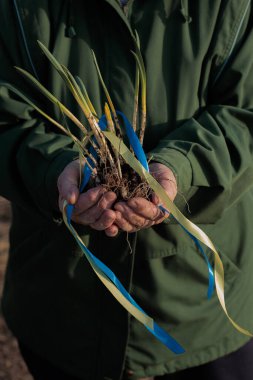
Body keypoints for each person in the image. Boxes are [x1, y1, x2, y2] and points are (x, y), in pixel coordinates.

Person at [0, 0, 253, 379]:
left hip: (197, 312)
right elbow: (7, 115)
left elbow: (244, 112)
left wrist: (178, 170)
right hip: (63, 307)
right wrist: (56, 171)